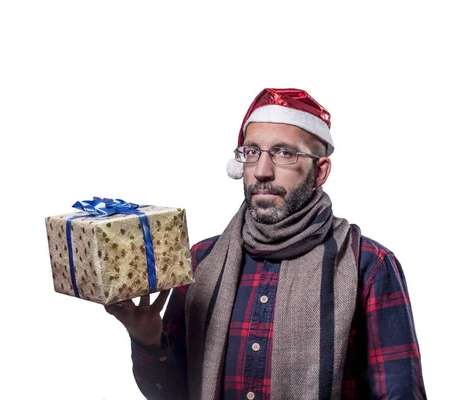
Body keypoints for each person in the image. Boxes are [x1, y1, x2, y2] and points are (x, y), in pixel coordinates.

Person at [105, 88, 427, 400]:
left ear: (320, 171)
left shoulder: (367, 266)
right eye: (252, 152)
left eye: (284, 153)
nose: (261, 171)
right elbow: (174, 393)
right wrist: (148, 340)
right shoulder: (202, 261)